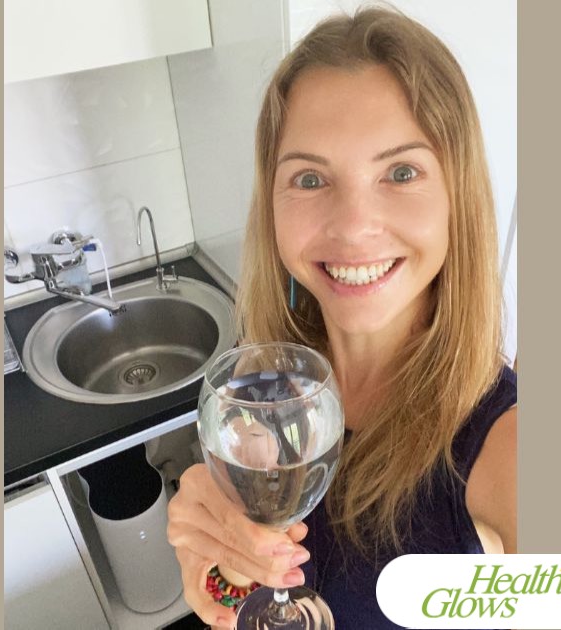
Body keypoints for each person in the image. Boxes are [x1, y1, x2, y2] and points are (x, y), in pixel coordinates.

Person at [166, 6, 517, 629]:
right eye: (309, 179)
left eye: (401, 172)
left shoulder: (504, 442)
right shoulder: (266, 384)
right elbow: (242, 595)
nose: (353, 227)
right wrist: (222, 573)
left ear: (456, 199)